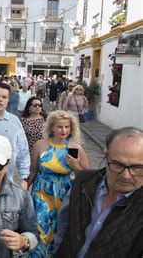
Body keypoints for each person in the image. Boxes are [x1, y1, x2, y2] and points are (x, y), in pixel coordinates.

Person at [54, 127, 143, 257]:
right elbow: (63, 223)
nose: (126, 175)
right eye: (118, 164)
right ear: (106, 157)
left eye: (136, 168)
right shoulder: (83, 181)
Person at [27, 110, 89, 257]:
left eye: (67, 127)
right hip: (41, 193)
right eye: (60, 127)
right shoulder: (40, 145)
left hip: (64, 195)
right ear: (52, 128)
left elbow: (88, 177)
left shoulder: (75, 148)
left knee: (59, 230)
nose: (64, 130)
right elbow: (33, 171)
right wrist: (24, 190)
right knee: (40, 228)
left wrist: (76, 167)